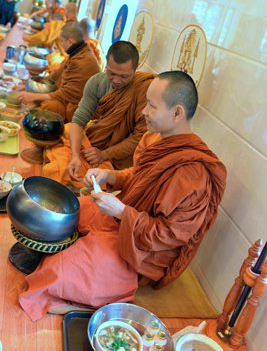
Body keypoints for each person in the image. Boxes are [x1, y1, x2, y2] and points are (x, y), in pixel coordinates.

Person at [19, 70, 227, 321]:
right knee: (72, 209)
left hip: (145, 253)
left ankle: (105, 294)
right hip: (127, 219)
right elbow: (139, 175)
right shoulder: (155, 139)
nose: (143, 112)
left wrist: (120, 211)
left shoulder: (193, 174)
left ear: (177, 113)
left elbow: (168, 236)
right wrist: (111, 177)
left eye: (151, 105)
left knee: (59, 271)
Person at [42, 41, 155, 189]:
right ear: (106, 65)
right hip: (94, 144)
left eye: (124, 76)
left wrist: (105, 154)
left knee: (61, 170)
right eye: (111, 73)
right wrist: (75, 156)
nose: (116, 80)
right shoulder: (96, 83)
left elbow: (139, 138)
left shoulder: (144, 89)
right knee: (65, 132)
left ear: (135, 69)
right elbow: (78, 120)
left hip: (118, 158)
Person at [18, 21, 100, 122]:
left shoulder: (83, 61)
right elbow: (55, 75)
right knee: (37, 102)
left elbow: (67, 94)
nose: (60, 44)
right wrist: (29, 86)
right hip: (67, 100)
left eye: (61, 41)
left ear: (70, 42)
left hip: (79, 108)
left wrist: (35, 96)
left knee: (48, 107)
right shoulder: (77, 52)